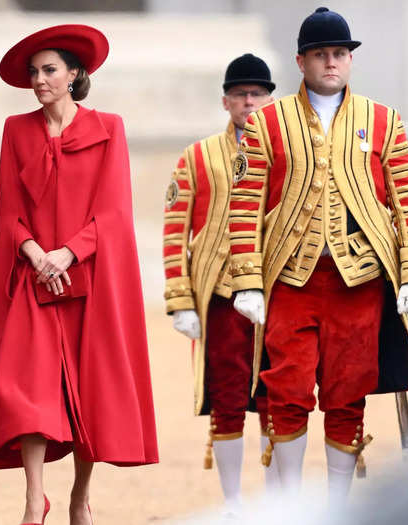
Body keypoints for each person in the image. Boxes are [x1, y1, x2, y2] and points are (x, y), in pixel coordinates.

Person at [228, 6, 408, 503]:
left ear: (349, 59)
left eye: (339, 53)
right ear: (301, 61)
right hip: (290, 279)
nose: (332, 62)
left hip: (358, 279)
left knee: (348, 392)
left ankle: (338, 507)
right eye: (321, 54)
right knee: (288, 389)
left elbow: (406, 196)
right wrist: (248, 279)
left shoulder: (383, 120)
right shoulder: (268, 122)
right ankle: (291, 503)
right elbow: (246, 201)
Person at [0, 24, 158, 525]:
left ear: (74, 74)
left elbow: (114, 212)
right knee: (26, 388)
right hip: (34, 279)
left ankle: (78, 495)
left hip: (88, 281)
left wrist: (68, 255)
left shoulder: (109, 127)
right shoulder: (16, 130)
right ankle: (35, 500)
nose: (39, 80)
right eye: (34, 72)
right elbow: (8, 210)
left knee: (87, 399)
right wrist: (36, 255)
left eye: (49, 70)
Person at [162, 53, 280, 513]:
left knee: (280, 393)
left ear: (271, 100)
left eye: (257, 94)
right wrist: (180, 300)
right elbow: (176, 228)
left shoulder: (288, 151)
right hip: (218, 294)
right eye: (240, 95)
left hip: (276, 288)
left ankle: (277, 501)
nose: (249, 102)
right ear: (225, 101)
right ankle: (233, 502)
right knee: (226, 396)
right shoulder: (197, 156)